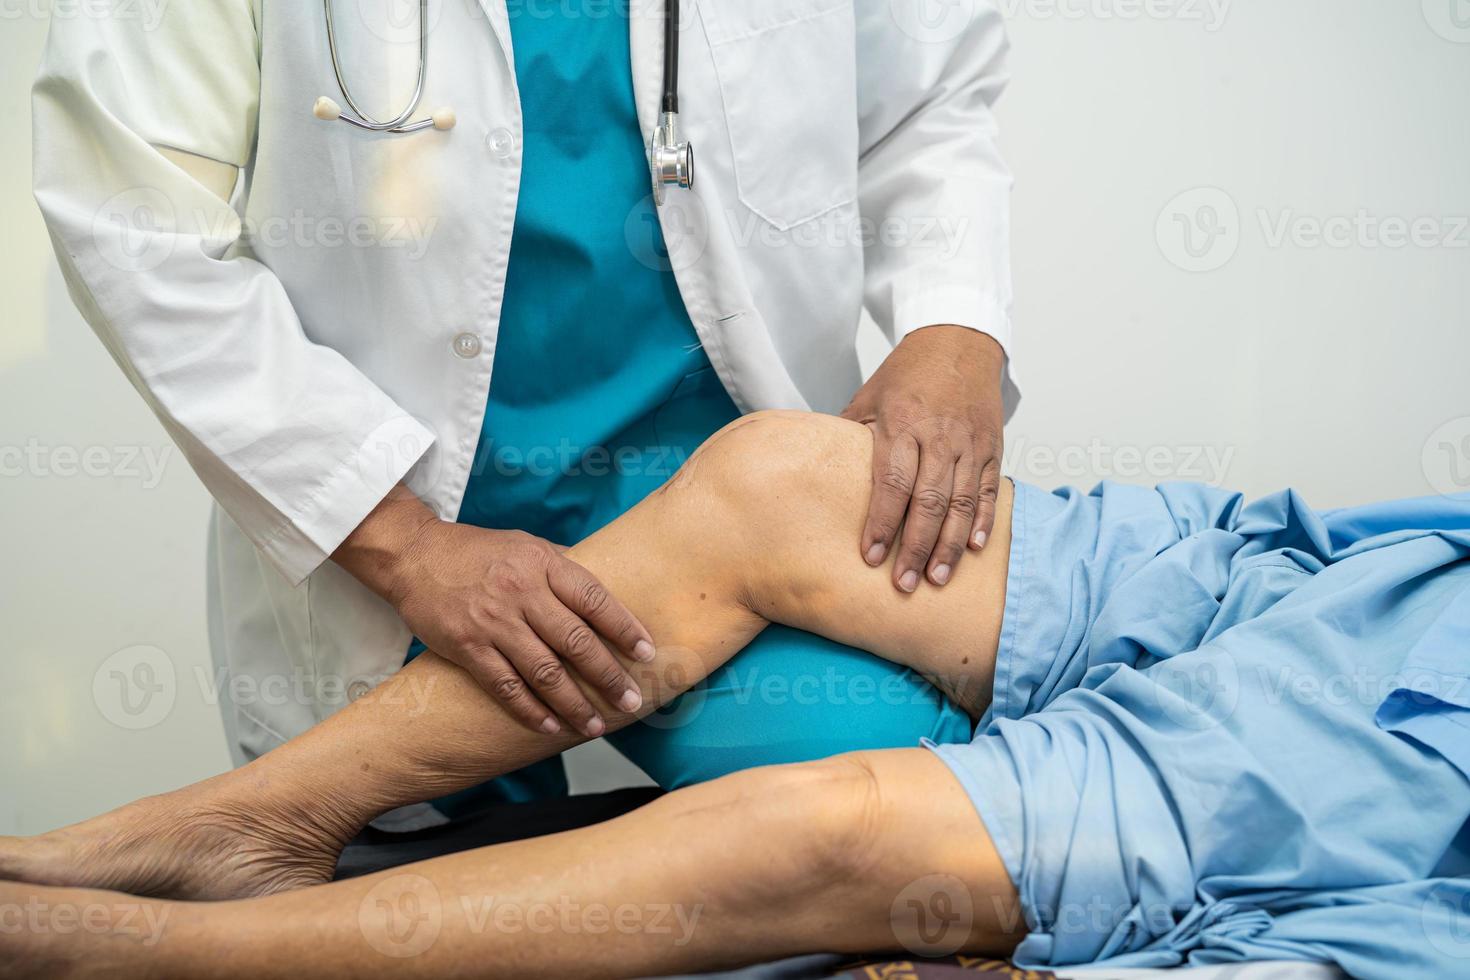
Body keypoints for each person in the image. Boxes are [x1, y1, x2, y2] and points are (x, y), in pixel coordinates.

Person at [4, 412, 1468, 978]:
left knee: (836, 832)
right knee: (776, 475)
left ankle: (123, 959)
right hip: (1367, 586)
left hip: (1416, 756)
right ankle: (248, 824)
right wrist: (956, 326)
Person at [31, 1, 1017, 819]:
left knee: (896, 804)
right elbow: (132, 217)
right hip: (396, 548)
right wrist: (401, 544)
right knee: (406, 910)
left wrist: (954, 322)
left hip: (735, 531)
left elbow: (931, 95)